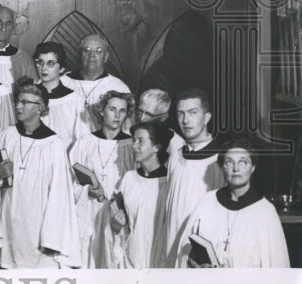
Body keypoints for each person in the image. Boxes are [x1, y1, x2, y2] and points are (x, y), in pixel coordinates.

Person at [0, 79, 80, 269]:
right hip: (8, 220)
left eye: (24, 102)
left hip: (36, 225)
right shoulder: (8, 134)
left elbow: (59, 194)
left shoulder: (53, 144)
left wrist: (51, 236)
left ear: (40, 108)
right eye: (18, 101)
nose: (18, 106)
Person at [182, 137, 289, 268]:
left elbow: (277, 266)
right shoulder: (207, 202)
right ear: (222, 167)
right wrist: (195, 265)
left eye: (243, 162)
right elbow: (186, 253)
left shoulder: (265, 211)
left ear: (253, 167)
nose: (236, 168)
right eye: (229, 162)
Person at [68, 90, 134, 268]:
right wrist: (85, 190)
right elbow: (67, 183)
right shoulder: (84, 143)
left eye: (122, 111)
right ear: (102, 111)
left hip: (117, 217)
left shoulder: (131, 145)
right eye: (112, 109)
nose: (117, 115)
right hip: (88, 213)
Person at [162, 88, 224, 266]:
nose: (185, 120)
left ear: (206, 118)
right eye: (180, 114)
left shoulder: (220, 160)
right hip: (171, 248)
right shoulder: (175, 156)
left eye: (192, 113)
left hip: (201, 255)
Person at [112, 121, 172, 269]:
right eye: (134, 141)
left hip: (160, 262)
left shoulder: (170, 183)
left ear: (156, 147)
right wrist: (116, 224)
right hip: (130, 262)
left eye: (140, 141)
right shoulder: (129, 179)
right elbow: (119, 222)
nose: (134, 146)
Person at [61, 34, 131, 134]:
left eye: (98, 51)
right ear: (80, 55)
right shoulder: (63, 83)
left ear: (106, 57)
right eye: (87, 50)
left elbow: (126, 129)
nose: (92, 55)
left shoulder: (118, 88)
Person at [33, 42, 84, 147]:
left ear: (61, 68)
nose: (43, 68)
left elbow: (82, 139)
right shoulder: (28, 96)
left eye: (50, 63)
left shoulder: (73, 100)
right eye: (40, 62)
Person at [0, 5, 36, 85]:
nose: (3, 28)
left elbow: (32, 92)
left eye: (8, 24)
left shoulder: (24, 59)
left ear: (14, 27)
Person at [135, 88, 186, 156]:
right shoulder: (131, 134)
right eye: (140, 111)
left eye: (149, 114)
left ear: (163, 117)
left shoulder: (176, 145)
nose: (141, 118)